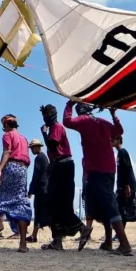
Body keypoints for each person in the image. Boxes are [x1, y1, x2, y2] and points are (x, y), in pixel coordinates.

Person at [64, 102, 132, 256]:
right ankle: (108, 242)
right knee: (102, 204)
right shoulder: (103, 122)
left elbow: (67, 121)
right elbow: (119, 130)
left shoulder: (83, 121)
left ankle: (124, 244)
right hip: (109, 169)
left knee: (109, 204)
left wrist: (69, 104)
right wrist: (114, 114)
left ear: (80, 112)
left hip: (96, 169)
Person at [38, 103, 90, 251]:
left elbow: (52, 146)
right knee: (54, 204)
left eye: (46, 116)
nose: (45, 119)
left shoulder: (57, 127)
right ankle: (57, 241)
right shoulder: (55, 127)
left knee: (59, 204)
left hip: (63, 166)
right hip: (58, 166)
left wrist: (43, 133)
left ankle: (82, 228)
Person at [0, 115, 32, 252]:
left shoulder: (7, 135)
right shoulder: (24, 138)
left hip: (11, 166)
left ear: (7, 126)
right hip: (23, 170)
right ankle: (22, 244)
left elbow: (7, 152)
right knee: (20, 202)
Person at [26, 139, 49, 244]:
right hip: (45, 188)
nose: (31, 150)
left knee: (39, 211)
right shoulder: (44, 157)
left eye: (32, 148)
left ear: (36, 147)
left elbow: (36, 175)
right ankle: (34, 235)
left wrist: (31, 190)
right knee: (44, 212)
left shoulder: (39, 158)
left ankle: (34, 236)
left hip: (41, 189)